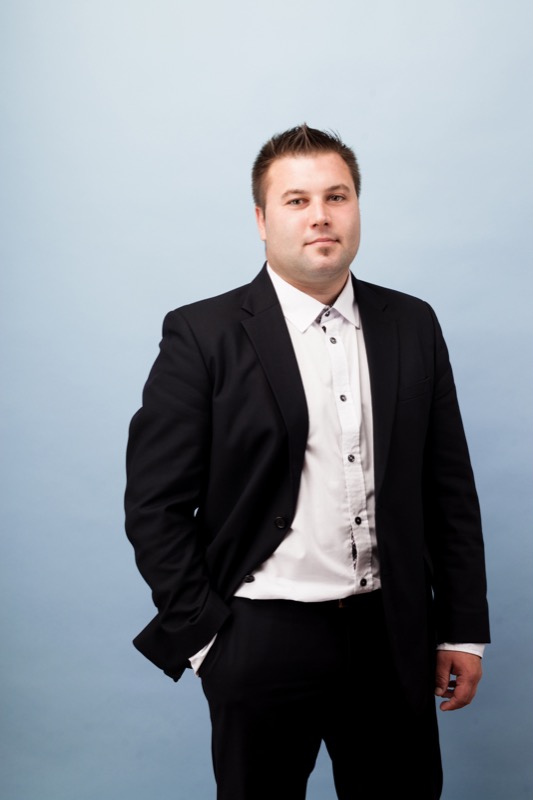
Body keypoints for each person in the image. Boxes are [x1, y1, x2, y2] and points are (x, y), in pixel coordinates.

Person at [125, 124, 490, 799]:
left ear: (356, 208)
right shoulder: (202, 335)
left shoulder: (412, 323)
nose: (320, 215)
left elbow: (448, 489)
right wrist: (208, 642)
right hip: (260, 634)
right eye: (296, 200)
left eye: (336, 196)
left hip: (391, 633)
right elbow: (155, 507)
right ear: (261, 221)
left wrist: (463, 632)